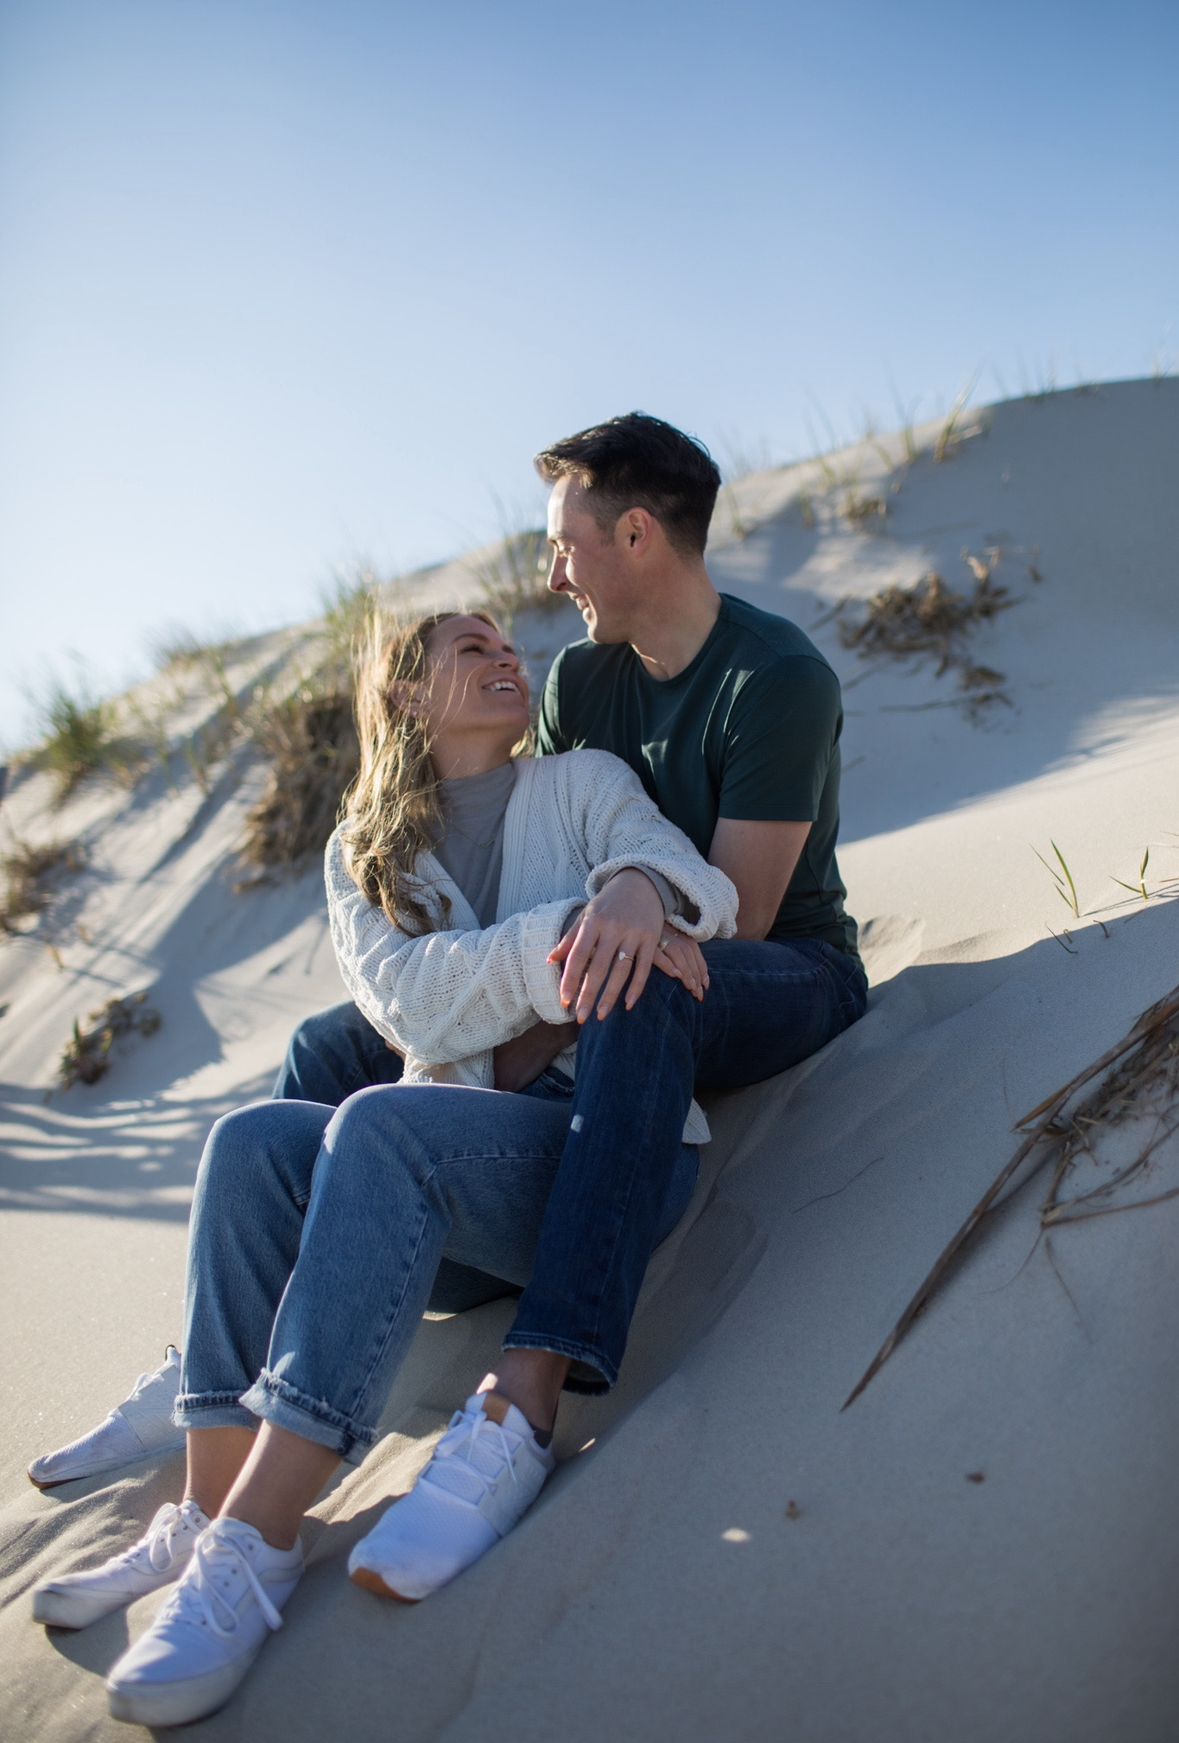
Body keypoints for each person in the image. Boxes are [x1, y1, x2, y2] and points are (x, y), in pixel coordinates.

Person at [32, 608, 740, 1729]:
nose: (508, 656)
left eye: (510, 644)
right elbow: (411, 1003)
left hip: (609, 1159)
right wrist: (583, 934)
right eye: (471, 649)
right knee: (251, 1141)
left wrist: (640, 893)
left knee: (378, 1120)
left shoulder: (585, 779)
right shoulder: (362, 847)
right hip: (456, 1190)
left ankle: (256, 1547)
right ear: (407, 695)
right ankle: (212, 1508)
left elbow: (693, 886)